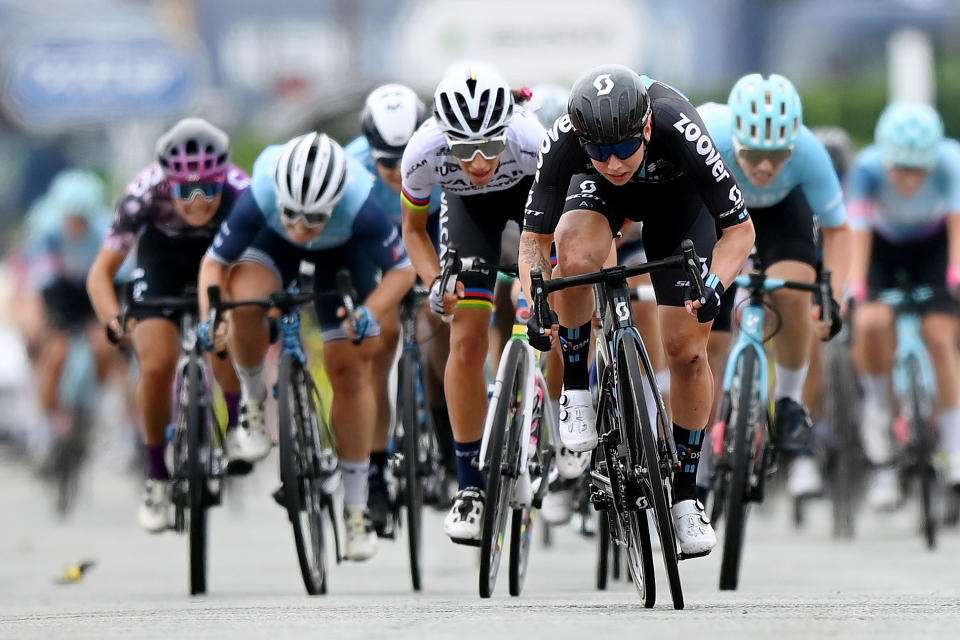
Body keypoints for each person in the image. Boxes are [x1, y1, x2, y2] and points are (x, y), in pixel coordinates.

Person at [519, 64, 756, 556]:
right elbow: (534, 243)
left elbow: (739, 231)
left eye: (624, 148)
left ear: (646, 127)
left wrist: (716, 283)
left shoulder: (679, 125)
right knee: (574, 251)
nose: (613, 161)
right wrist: (534, 299)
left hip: (677, 201)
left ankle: (686, 497)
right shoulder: (568, 139)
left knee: (687, 353)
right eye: (599, 151)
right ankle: (579, 390)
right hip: (597, 201)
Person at [198, 132, 416, 561]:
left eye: (313, 218)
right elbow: (214, 262)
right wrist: (212, 315)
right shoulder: (262, 191)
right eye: (292, 214)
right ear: (280, 196)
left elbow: (402, 272)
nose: (300, 228)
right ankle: (255, 403)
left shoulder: (359, 204)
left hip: (344, 251)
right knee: (244, 303)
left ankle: (355, 507)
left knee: (350, 367)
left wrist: (370, 312)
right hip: (270, 246)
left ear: (334, 203)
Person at [400, 62, 548, 544]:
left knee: (552, 297)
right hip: (468, 216)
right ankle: (469, 489)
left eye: (490, 144)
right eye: (465, 149)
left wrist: (536, 276)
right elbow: (414, 232)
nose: (480, 162)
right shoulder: (422, 153)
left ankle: (569, 408)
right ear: (445, 139)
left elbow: (560, 224)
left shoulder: (530, 139)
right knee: (464, 339)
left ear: (508, 129)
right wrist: (434, 281)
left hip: (532, 201)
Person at [87, 118, 248, 532]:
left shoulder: (241, 190)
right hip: (161, 264)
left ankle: (234, 427)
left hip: (219, 262)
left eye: (207, 190)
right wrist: (112, 321)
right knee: (156, 364)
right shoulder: (143, 194)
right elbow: (100, 274)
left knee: (223, 334)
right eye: (185, 191)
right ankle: (156, 475)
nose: (197, 201)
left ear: (222, 181)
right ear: (168, 184)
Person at [697, 74, 850, 499]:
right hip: (721, 215)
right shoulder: (709, 132)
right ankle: (696, 459)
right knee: (707, 342)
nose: (765, 167)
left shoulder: (809, 153)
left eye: (778, 154)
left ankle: (788, 401)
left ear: (793, 144)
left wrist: (834, 297)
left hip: (784, 215)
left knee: (794, 290)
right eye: (753, 154)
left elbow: (838, 231)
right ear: (735, 139)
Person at [344, 84, 448, 533]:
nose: (394, 170)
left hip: (431, 249)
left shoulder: (440, 156)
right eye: (385, 161)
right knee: (379, 342)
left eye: (402, 158)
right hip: (380, 263)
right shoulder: (350, 170)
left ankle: (448, 447)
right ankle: (376, 476)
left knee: (445, 332)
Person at [847, 102, 960, 509]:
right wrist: (856, 285)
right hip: (883, 248)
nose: (909, 179)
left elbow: (956, 224)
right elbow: (857, 231)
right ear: (885, 158)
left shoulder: (950, 161)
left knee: (939, 334)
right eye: (900, 169)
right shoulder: (867, 167)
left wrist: (954, 275)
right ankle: (881, 412)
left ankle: (954, 442)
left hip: (932, 247)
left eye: (918, 170)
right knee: (872, 322)